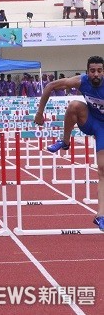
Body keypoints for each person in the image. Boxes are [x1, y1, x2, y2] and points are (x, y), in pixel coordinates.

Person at [35, 56, 104, 231]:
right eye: (92, 71)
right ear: (87, 72)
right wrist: (39, 113)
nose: (96, 74)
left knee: (102, 170)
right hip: (90, 121)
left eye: (99, 71)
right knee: (74, 105)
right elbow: (50, 86)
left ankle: (100, 215)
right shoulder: (81, 81)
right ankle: (65, 141)